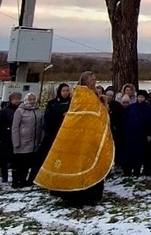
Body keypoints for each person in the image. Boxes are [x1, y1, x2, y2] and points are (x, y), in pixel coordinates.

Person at [34, 70, 114, 205]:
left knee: (88, 162)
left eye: (95, 79)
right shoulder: (82, 94)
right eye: (92, 79)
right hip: (78, 137)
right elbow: (88, 114)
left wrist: (102, 103)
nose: (95, 81)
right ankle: (76, 195)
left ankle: (91, 194)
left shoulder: (91, 94)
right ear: (86, 81)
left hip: (89, 136)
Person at [10, 92, 44, 188]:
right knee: (19, 163)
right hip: (22, 141)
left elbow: (40, 126)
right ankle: (16, 181)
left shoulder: (38, 110)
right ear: (26, 100)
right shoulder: (20, 111)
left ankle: (24, 180)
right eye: (30, 99)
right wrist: (16, 142)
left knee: (26, 164)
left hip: (33, 142)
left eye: (33, 99)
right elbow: (15, 127)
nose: (32, 101)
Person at [120, 90, 151, 176]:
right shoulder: (131, 107)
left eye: (142, 97)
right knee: (128, 153)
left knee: (139, 153)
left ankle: (137, 171)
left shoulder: (148, 109)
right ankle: (127, 171)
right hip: (130, 134)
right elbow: (124, 120)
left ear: (145, 98)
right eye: (139, 97)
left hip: (141, 135)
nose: (140, 99)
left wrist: (149, 134)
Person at [0, 91, 22, 184]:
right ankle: (4, 177)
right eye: (15, 99)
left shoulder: (21, 109)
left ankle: (15, 177)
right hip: (5, 137)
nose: (17, 101)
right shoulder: (5, 110)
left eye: (18, 99)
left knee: (15, 159)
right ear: (11, 100)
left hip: (16, 138)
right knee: (4, 159)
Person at [40, 82, 72, 160]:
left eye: (67, 91)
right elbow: (48, 117)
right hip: (53, 132)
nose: (65, 93)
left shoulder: (71, 102)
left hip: (66, 132)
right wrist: (61, 116)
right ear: (59, 91)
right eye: (63, 91)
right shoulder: (52, 103)